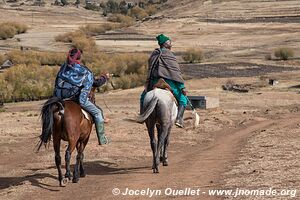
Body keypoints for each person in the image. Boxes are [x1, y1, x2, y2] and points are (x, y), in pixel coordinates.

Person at [54, 48, 109, 145]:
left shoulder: (63, 68)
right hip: (78, 99)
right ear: (79, 57)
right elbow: (95, 83)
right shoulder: (84, 71)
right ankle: (102, 139)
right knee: (98, 112)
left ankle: (45, 135)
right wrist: (104, 78)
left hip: (61, 98)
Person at [140, 34, 187, 128]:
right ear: (166, 44)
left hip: (155, 82)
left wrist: (148, 83)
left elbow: (151, 70)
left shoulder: (154, 54)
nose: (171, 44)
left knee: (143, 97)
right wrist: (182, 87)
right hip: (170, 83)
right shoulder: (170, 55)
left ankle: (142, 116)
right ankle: (179, 119)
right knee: (183, 99)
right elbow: (176, 73)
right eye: (170, 42)